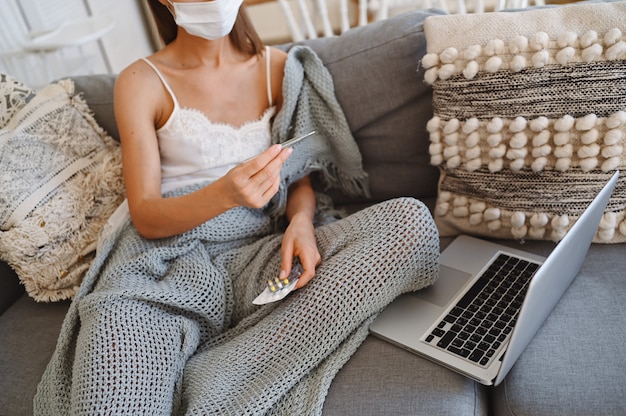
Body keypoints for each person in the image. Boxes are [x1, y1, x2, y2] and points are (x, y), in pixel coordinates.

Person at [35, 1, 440, 414]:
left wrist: (300, 222)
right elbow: (146, 215)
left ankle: (223, 375)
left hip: (258, 254)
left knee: (410, 224)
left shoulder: (278, 68)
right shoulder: (141, 80)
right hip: (163, 266)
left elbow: (299, 175)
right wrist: (225, 194)